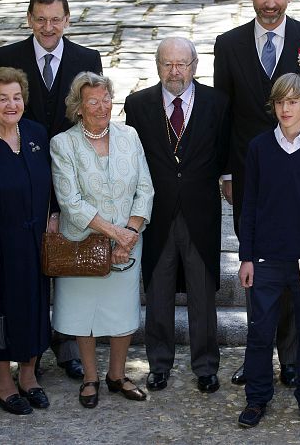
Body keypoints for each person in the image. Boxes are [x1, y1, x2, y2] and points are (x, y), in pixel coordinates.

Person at [214, 0, 300, 387]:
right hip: (251, 176)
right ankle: (257, 357)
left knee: (298, 265)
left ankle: (296, 359)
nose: (270, 3)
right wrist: (227, 172)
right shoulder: (227, 45)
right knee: (258, 272)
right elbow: (224, 116)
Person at [0, 0, 103, 381]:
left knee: (67, 268)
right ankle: (21, 351)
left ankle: (67, 345)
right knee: (26, 271)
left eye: (56, 19)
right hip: (22, 180)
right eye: (41, 19)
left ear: (67, 20)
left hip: (73, 180)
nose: (48, 27)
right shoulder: (5, 57)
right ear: (30, 19)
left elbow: (92, 116)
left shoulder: (88, 58)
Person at [124, 37, 230, 394]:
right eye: (168, 63)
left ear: (194, 66)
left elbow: (224, 155)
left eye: (182, 64)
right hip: (157, 213)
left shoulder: (217, 103)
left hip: (201, 214)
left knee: (202, 292)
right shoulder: (137, 105)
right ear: (158, 66)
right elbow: (132, 160)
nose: (175, 71)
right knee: (158, 290)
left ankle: (205, 366)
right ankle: (159, 365)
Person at [236, 73, 300, 429]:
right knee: (260, 332)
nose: (285, 108)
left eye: (293, 101)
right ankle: (257, 398)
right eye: (280, 102)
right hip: (265, 258)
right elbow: (248, 205)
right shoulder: (260, 148)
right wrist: (246, 256)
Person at [50, 72, 154, 409]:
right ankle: (91, 377)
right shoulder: (63, 143)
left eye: (106, 99)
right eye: (92, 101)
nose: (101, 107)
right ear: (78, 108)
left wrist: (131, 234)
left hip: (128, 242)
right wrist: (115, 234)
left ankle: (117, 375)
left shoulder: (131, 135)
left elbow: (146, 188)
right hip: (84, 244)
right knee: (85, 314)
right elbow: (71, 202)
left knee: (123, 313)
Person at [0, 67, 53, 415]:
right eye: (2, 98)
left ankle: (29, 377)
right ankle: (2, 385)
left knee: (34, 309)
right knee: (1, 314)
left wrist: (56, 215)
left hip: (36, 243)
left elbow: (53, 182)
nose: (11, 104)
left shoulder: (36, 134)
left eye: (17, 97)